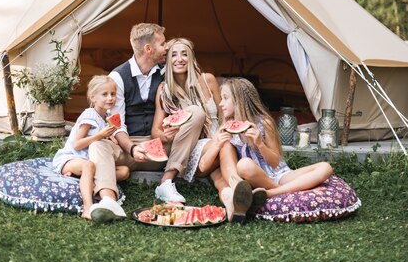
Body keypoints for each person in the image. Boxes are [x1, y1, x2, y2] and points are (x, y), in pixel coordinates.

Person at [88, 23, 206, 211]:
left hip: (160, 147)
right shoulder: (118, 77)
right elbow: (116, 124)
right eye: (162, 43)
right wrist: (132, 148)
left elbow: (190, 77)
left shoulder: (165, 72)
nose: (166, 47)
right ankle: (108, 200)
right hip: (126, 149)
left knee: (197, 113)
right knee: (97, 145)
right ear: (148, 49)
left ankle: (166, 182)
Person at [220, 77, 333, 199]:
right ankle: (287, 189)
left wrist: (260, 144)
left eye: (225, 98)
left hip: (280, 175)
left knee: (325, 167)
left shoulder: (264, 123)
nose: (221, 103)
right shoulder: (227, 128)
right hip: (255, 175)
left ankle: (272, 193)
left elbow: (275, 163)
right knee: (244, 165)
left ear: (239, 100)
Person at [151, 37, 221, 198]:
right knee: (196, 112)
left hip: (215, 141)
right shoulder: (164, 90)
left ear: (191, 58)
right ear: (168, 61)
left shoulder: (208, 79)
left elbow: (224, 114)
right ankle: (166, 180)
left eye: (184, 54)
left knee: (222, 164)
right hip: (189, 149)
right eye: (174, 55)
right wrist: (165, 136)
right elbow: (155, 130)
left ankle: (233, 197)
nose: (180, 59)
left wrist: (223, 136)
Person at [52, 75, 128, 222]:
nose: (110, 98)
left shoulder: (105, 115)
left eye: (113, 94)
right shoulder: (89, 115)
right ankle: (88, 207)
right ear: (93, 98)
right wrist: (99, 136)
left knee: (124, 171)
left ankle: (80, 178)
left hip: (88, 160)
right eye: (104, 94)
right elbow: (77, 144)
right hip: (71, 158)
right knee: (89, 165)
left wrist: (108, 138)